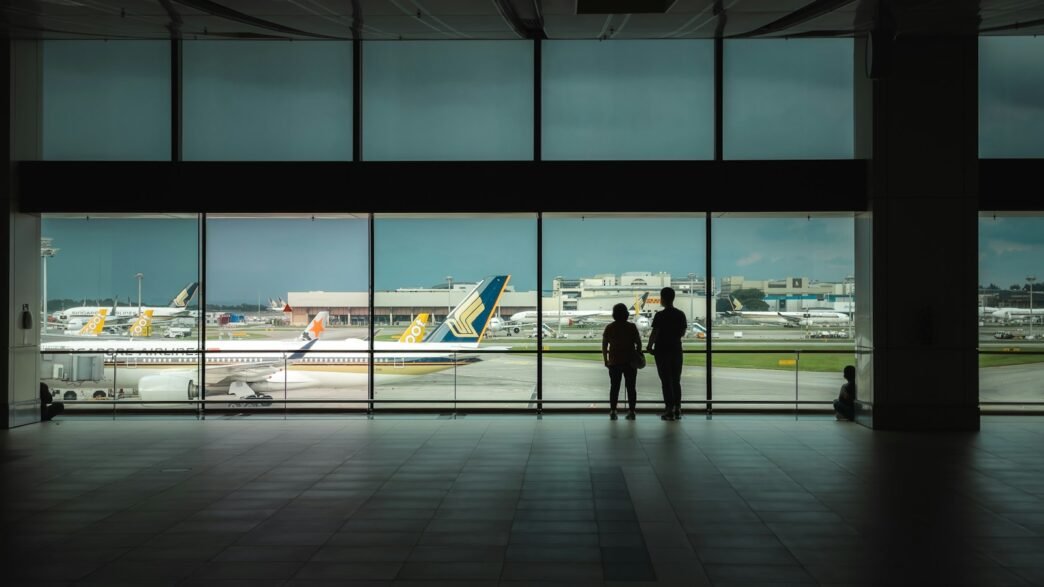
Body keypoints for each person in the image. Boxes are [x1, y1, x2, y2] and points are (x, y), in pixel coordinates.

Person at [647, 287, 687, 421]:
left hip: (662, 350)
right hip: (676, 349)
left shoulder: (660, 315)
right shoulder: (680, 314)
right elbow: (682, 333)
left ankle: (669, 409)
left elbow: (655, 332)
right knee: (676, 380)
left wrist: (649, 346)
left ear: (662, 299)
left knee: (666, 381)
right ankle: (678, 408)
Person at [602, 303, 642, 420]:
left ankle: (613, 411)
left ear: (614, 314)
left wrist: (606, 360)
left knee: (614, 387)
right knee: (631, 388)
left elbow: (604, 346)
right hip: (630, 362)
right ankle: (632, 411)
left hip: (614, 362)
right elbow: (638, 343)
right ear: (626, 314)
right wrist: (637, 355)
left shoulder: (610, 327)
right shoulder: (632, 327)